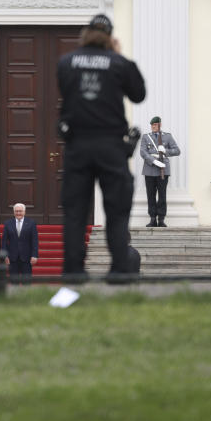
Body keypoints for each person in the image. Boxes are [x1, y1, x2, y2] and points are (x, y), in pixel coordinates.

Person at [57, 14, 146, 281]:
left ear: (85, 34)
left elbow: (66, 91)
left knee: (75, 211)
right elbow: (138, 94)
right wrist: (119, 56)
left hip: (78, 145)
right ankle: (119, 269)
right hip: (111, 146)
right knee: (117, 210)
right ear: (109, 37)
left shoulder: (67, 62)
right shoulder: (118, 63)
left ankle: (73, 271)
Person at [140, 116, 181, 227]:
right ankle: (153, 218)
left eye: (155, 125)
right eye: (152, 125)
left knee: (162, 195)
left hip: (163, 169)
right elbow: (143, 152)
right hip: (149, 169)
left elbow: (177, 151)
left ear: (159, 125)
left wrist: (166, 151)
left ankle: (161, 219)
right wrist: (153, 161)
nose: (153, 127)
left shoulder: (167, 137)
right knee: (151, 195)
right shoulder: (146, 137)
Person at [2, 203, 39, 282]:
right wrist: (5, 255)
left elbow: (34, 240)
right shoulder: (8, 223)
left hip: (27, 257)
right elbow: (4, 241)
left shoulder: (31, 223)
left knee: (26, 281)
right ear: (14, 212)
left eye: (20, 211)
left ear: (24, 212)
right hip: (12, 258)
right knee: (13, 281)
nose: (18, 213)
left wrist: (34, 255)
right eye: (16, 211)